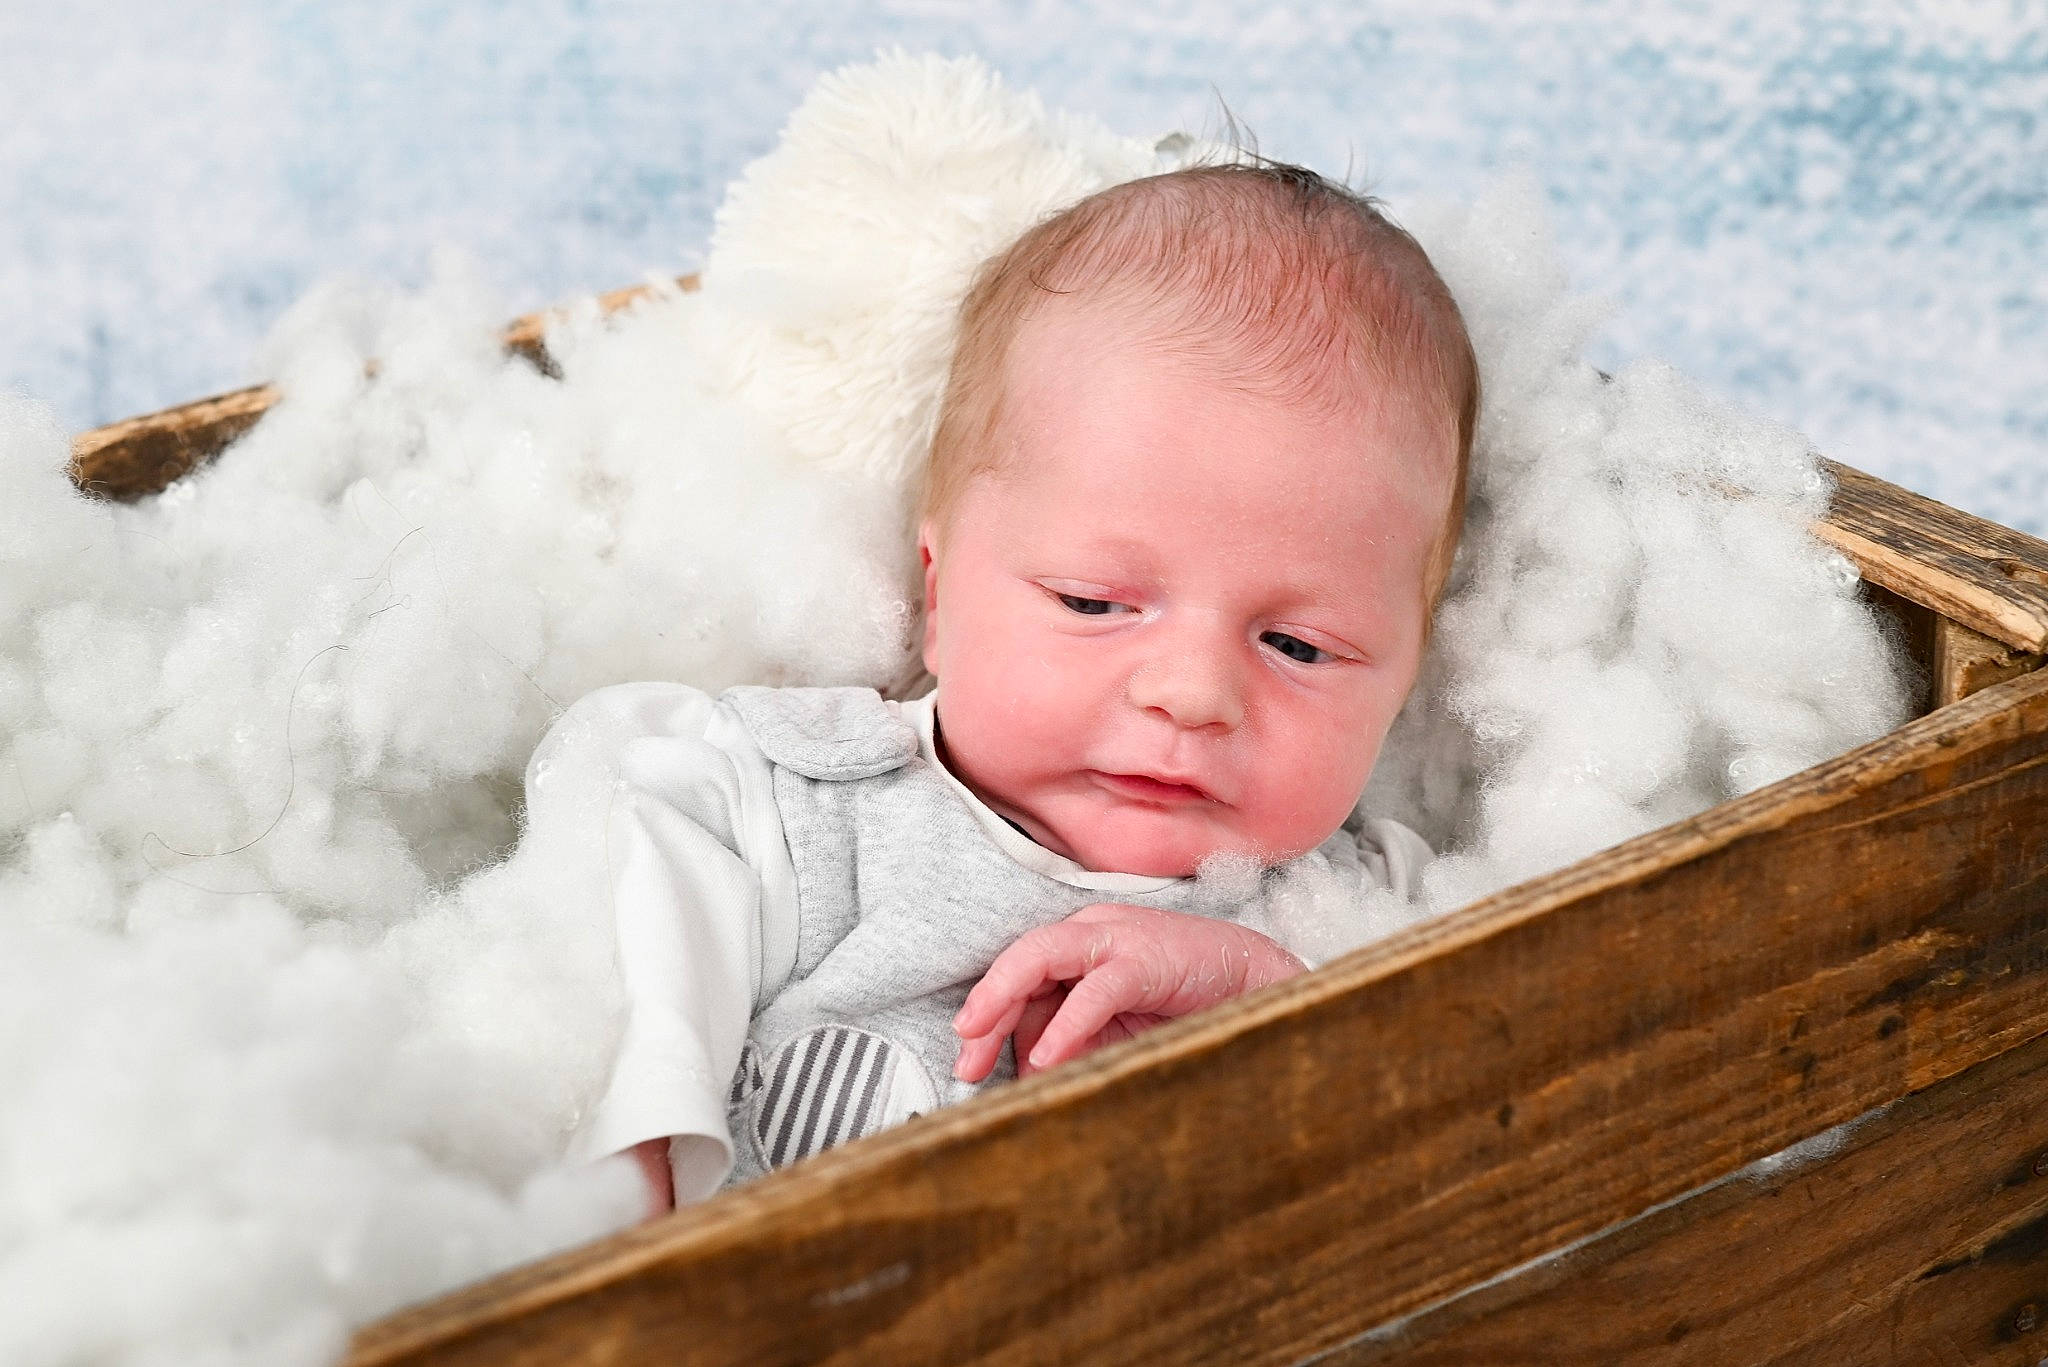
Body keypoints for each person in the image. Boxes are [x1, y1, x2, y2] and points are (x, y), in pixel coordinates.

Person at [537, 160, 1479, 1213]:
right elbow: (632, 903)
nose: (1189, 691)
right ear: (938, 600)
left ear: (1403, 677)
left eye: (1299, 646)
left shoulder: (1358, 903)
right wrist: (631, 1178)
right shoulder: (791, 805)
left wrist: (1277, 997)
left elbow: (1470, 1111)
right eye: (1092, 601)